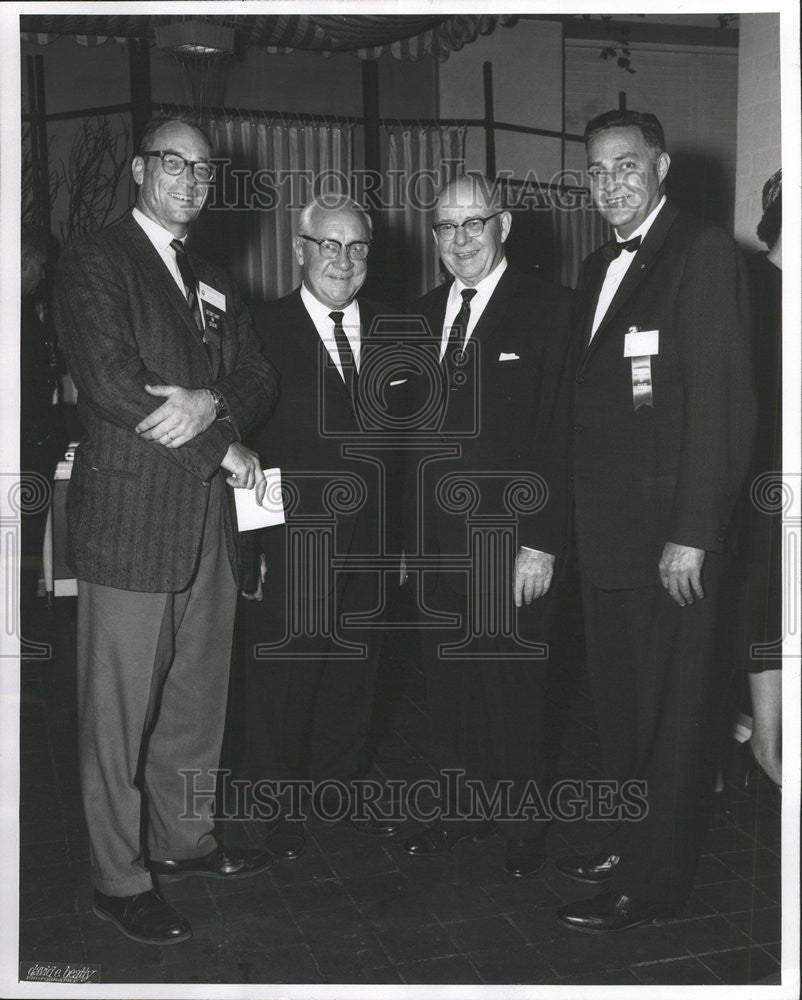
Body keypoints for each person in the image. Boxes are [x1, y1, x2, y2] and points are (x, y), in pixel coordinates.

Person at [54, 117, 279, 946]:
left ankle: (183, 840)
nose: (189, 179)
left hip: (208, 529)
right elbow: (113, 382)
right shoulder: (95, 259)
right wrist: (221, 442)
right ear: (142, 169)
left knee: (195, 702)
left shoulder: (214, 277)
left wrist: (211, 402)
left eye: (203, 169)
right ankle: (118, 877)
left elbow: (258, 372)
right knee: (116, 713)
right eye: (172, 163)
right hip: (134, 520)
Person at [555, 109, 755, 932]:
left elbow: (723, 405)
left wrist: (694, 530)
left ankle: (653, 881)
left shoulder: (701, 251)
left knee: (671, 717)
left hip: (670, 543)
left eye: (626, 166)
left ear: (662, 167)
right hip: (608, 543)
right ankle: (626, 841)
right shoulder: (599, 262)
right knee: (623, 707)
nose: (611, 184)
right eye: (596, 171)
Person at [401, 174, 573, 877]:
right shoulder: (416, 317)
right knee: (448, 683)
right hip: (436, 545)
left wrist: (542, 540)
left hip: (514, 542)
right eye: (446, 226)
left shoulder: (553, 310)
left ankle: (522, 822)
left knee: (514, 686)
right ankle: (457, 805)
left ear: (504, 226)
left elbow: (562, 432)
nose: (460, 239)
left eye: (474, 223)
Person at [236, 197, 403, 860]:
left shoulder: (395, 331)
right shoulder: (261, 329)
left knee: (354, 674)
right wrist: (254, 552)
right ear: (300, 249)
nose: (343, 260)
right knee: (284, 680)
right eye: (328, 245)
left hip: (371, 545)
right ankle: (273, 809)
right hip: (291, 541)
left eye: (357, 247)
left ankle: (337, 793)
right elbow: (245, 444)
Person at [735, 168, 782, 791]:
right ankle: (764, 744)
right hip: (762, 478)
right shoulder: (750, 284)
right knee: (767, 608)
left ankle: (752, 731)